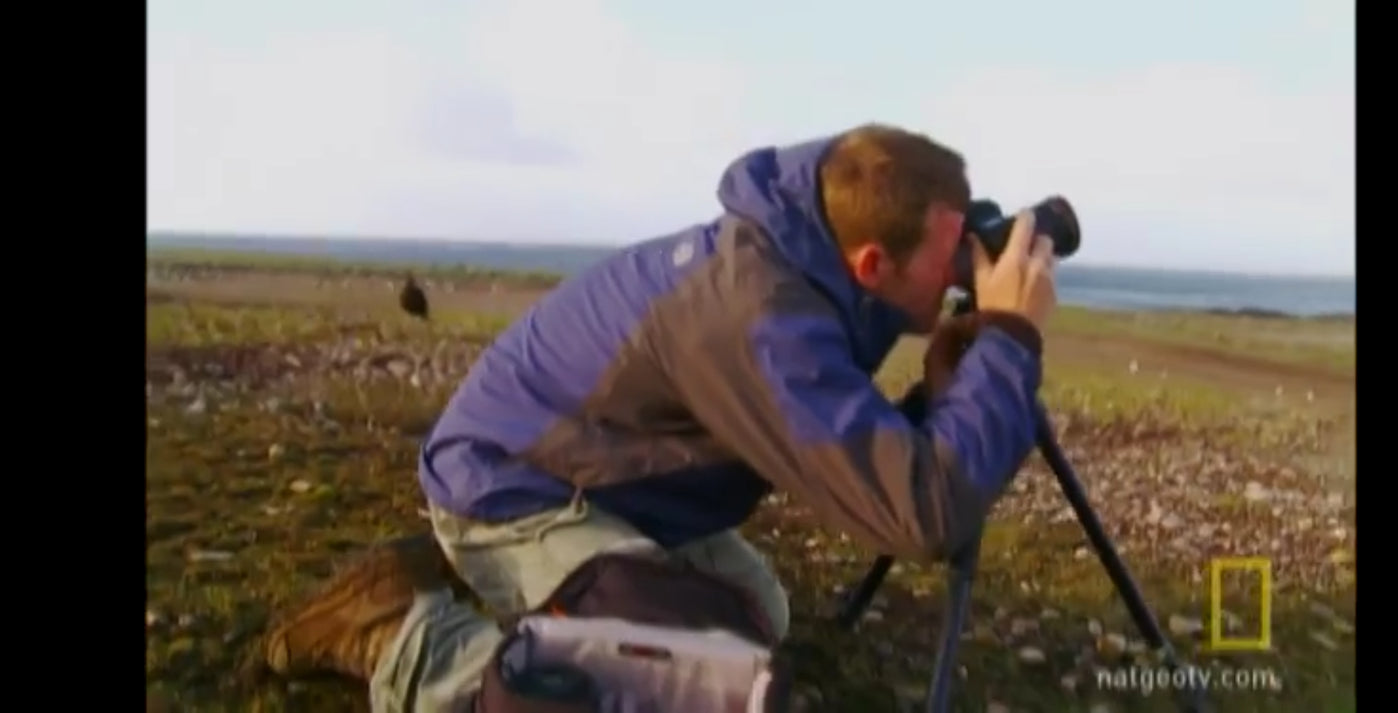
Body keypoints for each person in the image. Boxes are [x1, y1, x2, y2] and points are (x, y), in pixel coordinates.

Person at [252, 123, 1059, 712]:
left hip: (608, 485)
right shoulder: (759, 317)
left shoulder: (799, 270)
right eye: (953, 249)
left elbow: (856, 454)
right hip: (509, 490)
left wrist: (953, 386)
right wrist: (1009, 343)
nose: (969, 268)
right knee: (685, 688)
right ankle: (405, 634)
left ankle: (548, 605)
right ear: (872, 264)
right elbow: (917, 513)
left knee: (753, 619)